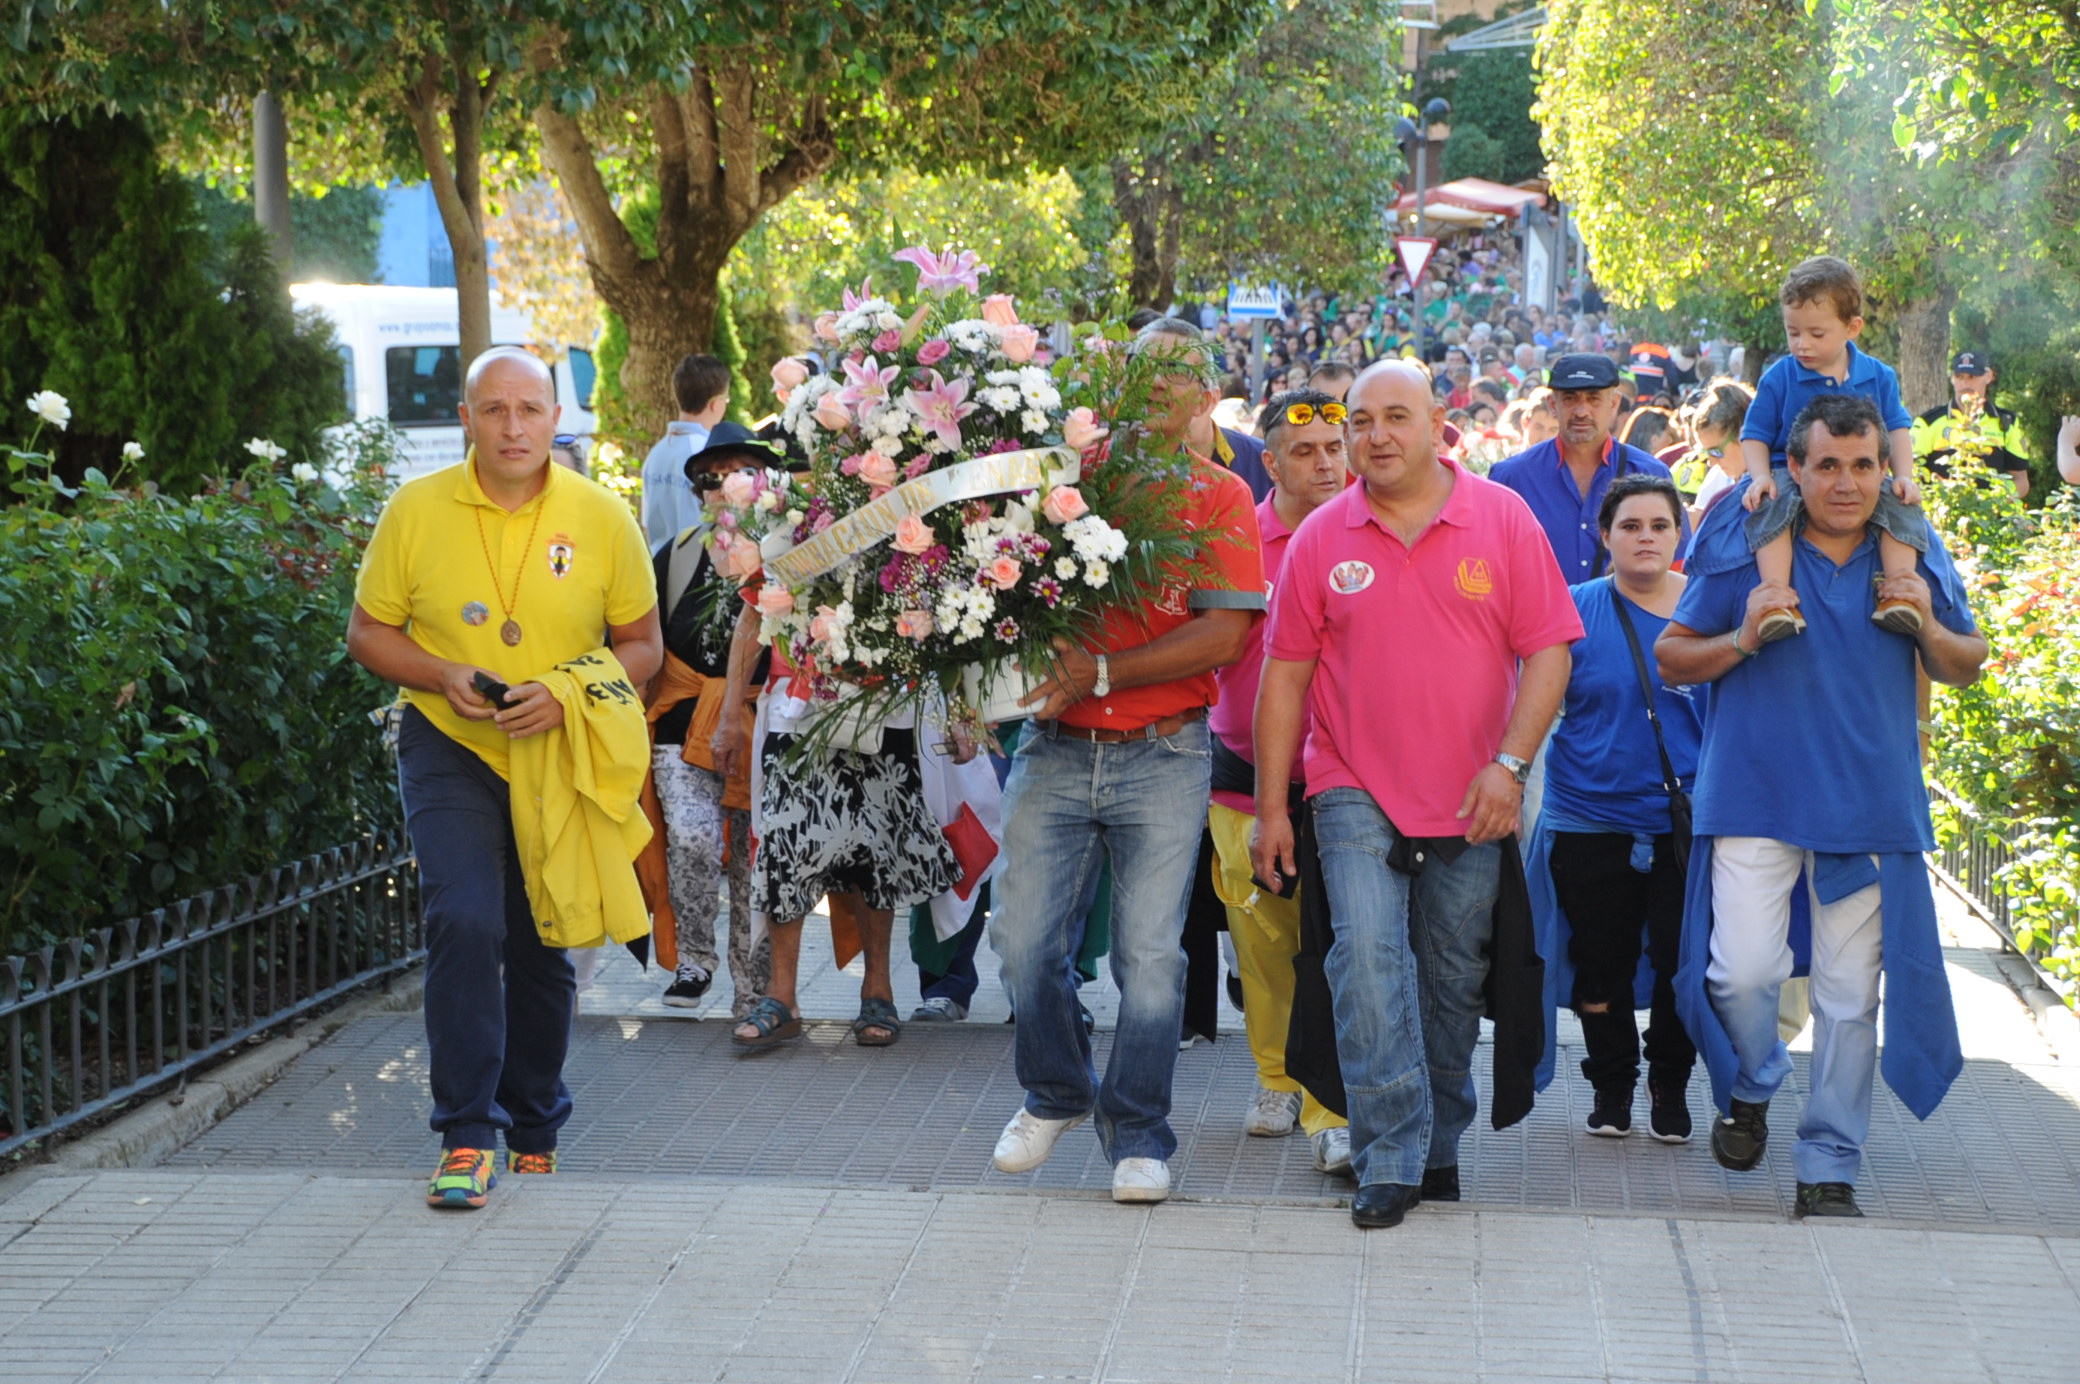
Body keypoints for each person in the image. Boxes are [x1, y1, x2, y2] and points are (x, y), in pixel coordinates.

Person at [1250, 360, 1581, 1229]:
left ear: (1440, 426)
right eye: (1361, 421)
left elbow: (1550, 652)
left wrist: (1510, 767)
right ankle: (1390, 1155)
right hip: (1350, 784)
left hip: (1475, 794)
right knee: (1364, 959)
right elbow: (1284, 680)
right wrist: (1274, 809)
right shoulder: (1322, 536)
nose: (1376, 435)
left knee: (1449, 982)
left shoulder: (1502, 519)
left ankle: (1436, 1147)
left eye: (1396, 417)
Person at [346, 346, 664, 1209]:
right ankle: (465, 1133)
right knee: (463, 919)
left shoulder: (602, 517)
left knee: (542, 938)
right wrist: (438, 671)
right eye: (494, 410)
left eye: (529, 409)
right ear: (466, 419)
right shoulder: (415, 510)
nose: (513, 427)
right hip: (450, 744)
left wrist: (565, 694)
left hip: (557, 753)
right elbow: (367, 633)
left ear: (557, 418)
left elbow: (643, 647)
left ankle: (534, 1126)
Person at [1657, 394, 1987, 1219]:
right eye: (1828, 465)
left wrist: (1925, 626)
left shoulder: (1910, 544)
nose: (1847, 483)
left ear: (1884, 469)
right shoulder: (1744, 537)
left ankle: (1829, 1163)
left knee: (1849, 999)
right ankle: (1756, 1079)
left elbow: (1967, 660)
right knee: (1739, 973)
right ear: (1794, 469)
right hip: (1753, 793)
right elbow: (1671, 657)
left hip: (1867, 803)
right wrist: (1742, 637)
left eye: (1863, 465)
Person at [987, 320, 1264, 1206]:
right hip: (1054, 744)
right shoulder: (1062, 472)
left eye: (1179, 374)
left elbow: (1225, 635)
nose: (1157, 387)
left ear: (1207, 396)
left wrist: (1102, 671)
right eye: (1143, 368)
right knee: (1021, 942)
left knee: (1149, 958)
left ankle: (1139, 1132)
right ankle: (1058, 1092)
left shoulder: (1220, 496)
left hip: (1166, 752)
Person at [1203, 389, 1354, 1171]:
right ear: (1271, 462)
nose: (1326, 463)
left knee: (1337, 947)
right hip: (1242, 781)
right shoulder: (1235, 540)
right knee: (1261, 944)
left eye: (1335, 447)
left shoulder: (1368, 534)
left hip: (1346, 783)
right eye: (1305, 451)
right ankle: (1276, 1079)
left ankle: (1333, 1107)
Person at [1530, 475, 1702, 1142]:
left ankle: (1670, 1082)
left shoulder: (1708, 611)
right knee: (1599, 963)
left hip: (1683, 823)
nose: (1645, 538)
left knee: (1681, 962)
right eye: (1630, 526)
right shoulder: (1571, 610)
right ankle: (1612, 1082)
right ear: (1605, 536)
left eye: (1659, 525)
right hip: (1587, 818)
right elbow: (1532, 700)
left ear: (1679, 534)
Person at [645, 423, 781, 1019]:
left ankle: (753, 987)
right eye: (711, 477)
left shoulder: (788, 553)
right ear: (697, 492)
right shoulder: (673, 556)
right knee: (694, 839)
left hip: (764, 722)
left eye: (741, 472)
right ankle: (694, 957)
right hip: (681, 722)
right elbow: (641, 640)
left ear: (765, 482)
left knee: (755, 857)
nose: (725, 486)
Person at [1717, 257, 1923, 642]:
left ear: (1852, 327)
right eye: (1793, 332)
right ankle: (1776, 597)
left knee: (1901, 503)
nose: (1802, 344)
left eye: (1816, 333)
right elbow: (1755, 433)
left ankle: (1899, 592)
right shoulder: (1780, 376)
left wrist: (1905, 477)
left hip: (1857, 475)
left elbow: (1897, 429)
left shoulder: (1879, 376)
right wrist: (1760, 477)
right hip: (1788, 471)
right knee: (1769, 503)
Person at [1487, 354, 1687, 586]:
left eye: (1594, 399)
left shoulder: (1650, 473)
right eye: (1570, 399)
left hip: (1624, 611)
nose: (1582, 411)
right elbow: (1489, 566)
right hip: (1536, 611)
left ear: (1614, 404)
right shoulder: (1511, 477)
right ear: (1553, 405)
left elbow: (1677, 569)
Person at [640, 353, 731, 548]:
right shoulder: (707, 455)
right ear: (715, 403)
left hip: (659, 562)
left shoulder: (655, 453)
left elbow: (647, 525)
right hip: (697, 562)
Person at [1915, 350, 2030, 499]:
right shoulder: (1928, 423)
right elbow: (1911, 474)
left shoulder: (2006, 422)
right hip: (1942, 511)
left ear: (1988, 377)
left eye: (1972, 377)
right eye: (1959, 377)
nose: (1965, 384)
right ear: (1952, 378)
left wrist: (1997, 503)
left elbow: (2021, 480)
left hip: (1991, 511)